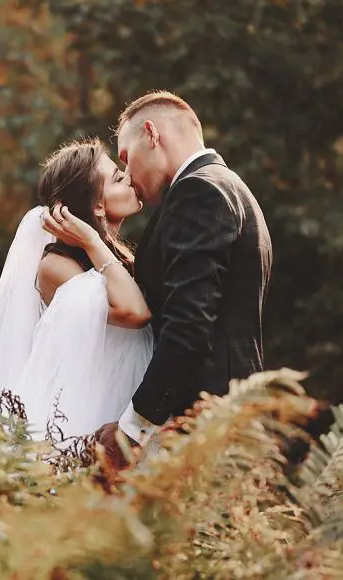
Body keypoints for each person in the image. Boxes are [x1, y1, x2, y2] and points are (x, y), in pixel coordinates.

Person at [57, 91, 273, 465]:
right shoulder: (230, 187)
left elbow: (189, 325)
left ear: (152, 135)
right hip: (229, 420)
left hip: (205, 426)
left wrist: (132, 429)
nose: (126, 172)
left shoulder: (198, 191)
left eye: (126, 156)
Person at [0, 139, 154, 449]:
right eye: (117, 179)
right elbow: (135, 313)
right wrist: (92, 242)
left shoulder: (114, 252)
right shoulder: (55, 266)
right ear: (96, 205)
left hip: (129, 406)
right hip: (84, 417)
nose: (129, 177)